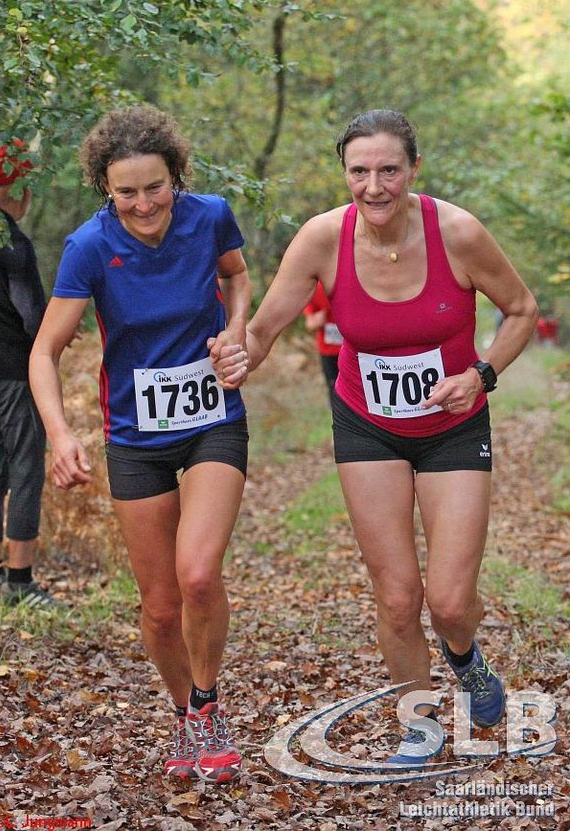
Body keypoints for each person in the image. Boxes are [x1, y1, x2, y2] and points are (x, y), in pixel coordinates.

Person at [211, 109, 538, 766]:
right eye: (359, 171)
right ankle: (420, 726)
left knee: (449, 603)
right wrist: (238, 355)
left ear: (413, 168)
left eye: (389, 170)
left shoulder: (457, 232)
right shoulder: (321, 238)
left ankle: (466, 658)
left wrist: (480, 376)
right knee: (396, 598)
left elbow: (522, 310)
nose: (373, 186)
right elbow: (265, 328)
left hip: (451, 426)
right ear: (344, 172)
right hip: (367, 426)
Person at [29, 105, 251, 783]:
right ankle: (184, 714)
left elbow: (236, 277)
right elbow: (44, 351)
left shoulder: (209, 217)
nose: (144, 203)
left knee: (197, 574)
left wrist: (235, 331)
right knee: (158, 607)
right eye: (126, 191)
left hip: (212, 417)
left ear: (175, 176)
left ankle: (207, 707)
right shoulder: (89, 247)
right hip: (135, 434)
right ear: (105, 186)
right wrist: (59, 434)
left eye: (155, 187)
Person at [0, 139, 57, 609]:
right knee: (25, 468)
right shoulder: (12, 243)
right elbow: (34, 317)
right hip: (17, 374)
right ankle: (19, 582)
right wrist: (59, 331)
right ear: (16, 190)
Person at [303, 280, 343, 401]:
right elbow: (310, 323)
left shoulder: (350, 284)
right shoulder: (316, 288)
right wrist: (317, 319)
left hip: (351, 350)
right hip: (328, 351)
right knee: (333, 386)